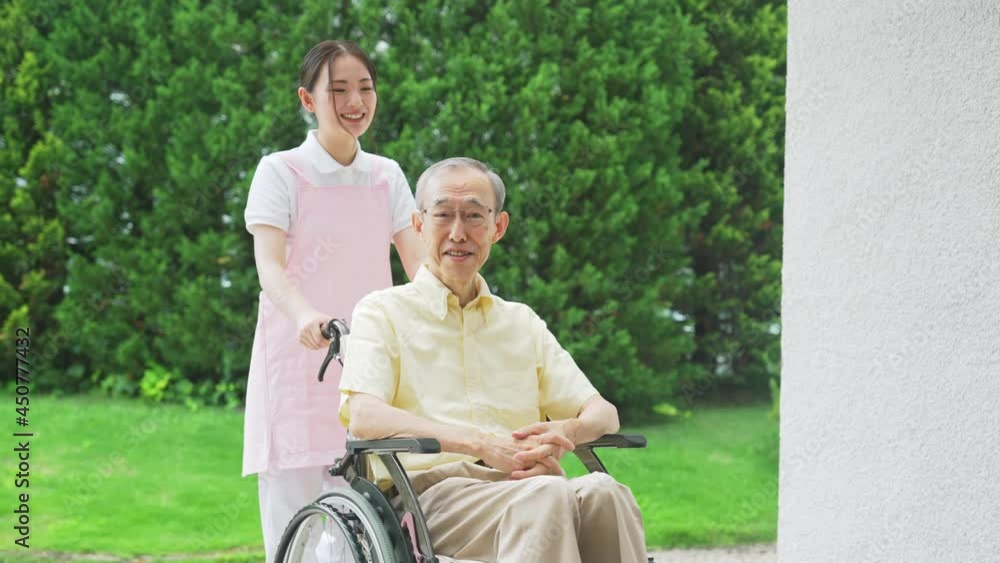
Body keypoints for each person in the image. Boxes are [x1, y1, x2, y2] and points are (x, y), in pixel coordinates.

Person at [338, 157, 648, 563]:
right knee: (547, 495)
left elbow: (604, 414)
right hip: (430, 497)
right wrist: (478, 442)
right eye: (443, 215)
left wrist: (565, 431)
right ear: (418, 224)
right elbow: (364, 416)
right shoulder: (383, 311)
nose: (458, 233)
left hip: (526, 485)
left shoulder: (521, 322)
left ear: (497, 227)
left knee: (605, 492)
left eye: (473, 216)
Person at [241, 40, 424, 562]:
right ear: (308, 99)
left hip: (370, 366)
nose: (355, 101)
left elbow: (419, 268)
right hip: (300, 366)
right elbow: (270, 267)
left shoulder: (386, 175)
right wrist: (304, 314)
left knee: (371, 523)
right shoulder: (280, 171)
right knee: (295, 529)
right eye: (338, 90)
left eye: (365, 88)